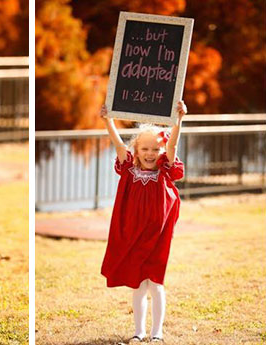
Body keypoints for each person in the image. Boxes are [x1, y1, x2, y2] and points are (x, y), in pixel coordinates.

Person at [99, 101, 187, 343]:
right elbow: (118, 144)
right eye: (145, 149)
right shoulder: (128, 169)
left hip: (158, 236)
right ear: (136, 151)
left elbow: (173, 144)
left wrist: (178, 120)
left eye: (155, 150)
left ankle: (156, 333)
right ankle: (139, 332)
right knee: (138, 285)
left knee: (156, 283)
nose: (150, 154)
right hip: (134, 235)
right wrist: (108, 120)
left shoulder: (165, 171)